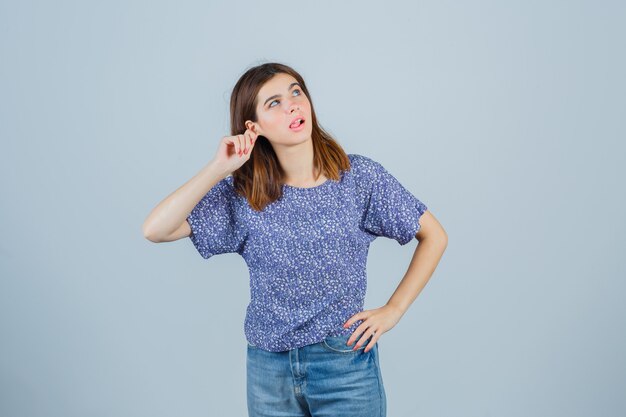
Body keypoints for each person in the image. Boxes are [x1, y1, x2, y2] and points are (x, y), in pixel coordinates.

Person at [142, 62, 448, 417]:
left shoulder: (358, 179)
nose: (292, 105)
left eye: (296, 92)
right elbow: (156, 229)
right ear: (252, 127)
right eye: (273, 102)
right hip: (268, 371)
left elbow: (434, 236)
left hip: (343, 366)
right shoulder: (245, 194)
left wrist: (393, 311)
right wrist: (218, 169)